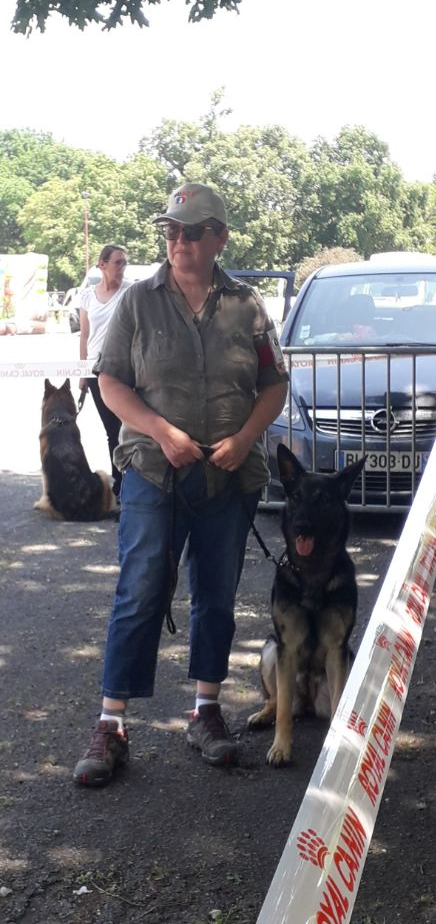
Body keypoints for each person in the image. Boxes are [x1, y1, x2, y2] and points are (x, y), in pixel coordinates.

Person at [73, 183, 288, 786]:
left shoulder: (247, 306)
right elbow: (111, 382)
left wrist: (245, 438)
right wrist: (161, 431)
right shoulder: (137, 302)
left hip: (229, 477)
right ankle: (111, 724)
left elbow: (274, 384)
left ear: (220, 237)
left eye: (191, 231)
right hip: (153, 472)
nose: (178, 240)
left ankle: (205, 712)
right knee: (140, 590)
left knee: (216, 595)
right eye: (170, 230)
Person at [79, 245, 130, 499]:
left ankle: (131, 482)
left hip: (122, 370)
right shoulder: (87, 296)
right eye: (117, 262)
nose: (122, 268)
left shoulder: (130, 292)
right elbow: (84, 335)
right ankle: (119, 483)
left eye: (124, 263)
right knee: (111, 429)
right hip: (94, 370)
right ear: (102, 264)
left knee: (127, 427)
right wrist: (81, 372)